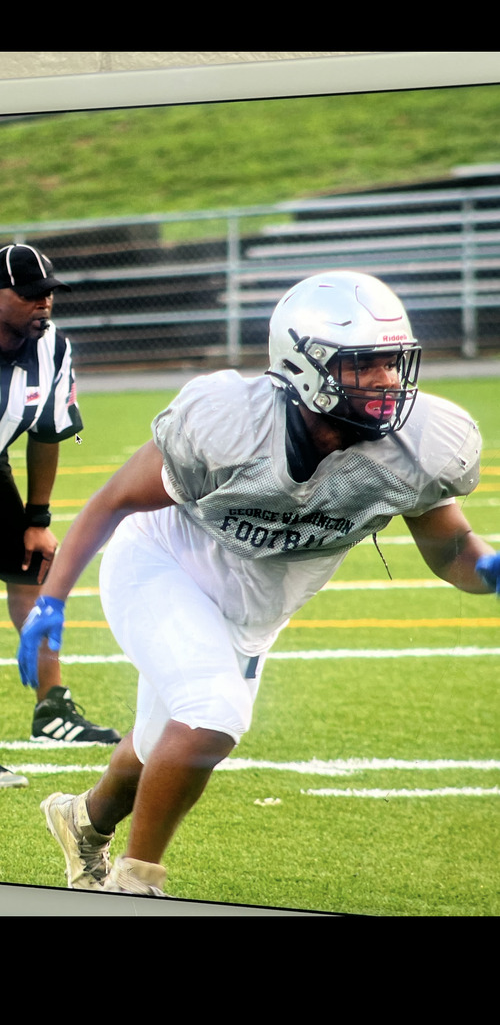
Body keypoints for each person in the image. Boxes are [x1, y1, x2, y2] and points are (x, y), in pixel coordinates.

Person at [17, 269, 500, 896]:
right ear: (302, 365)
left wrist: (487, 569)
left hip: (259, 605)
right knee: (210, 714)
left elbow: (452, 549)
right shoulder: (232, 423)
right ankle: (135, 885)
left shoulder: (416, 447)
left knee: (163, 740)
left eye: (392, 362)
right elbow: (113, 500)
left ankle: (84, 821)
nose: (386, 380)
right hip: (164, 564)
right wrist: (51, 601)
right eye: (363, 365)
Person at [0, 243, 121, 789]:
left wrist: (37, 518)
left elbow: (46, 433)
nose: (43, 303)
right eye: (29, 294)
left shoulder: (52, 348)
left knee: (33, 570)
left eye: (48, 293)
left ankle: (52, 709)